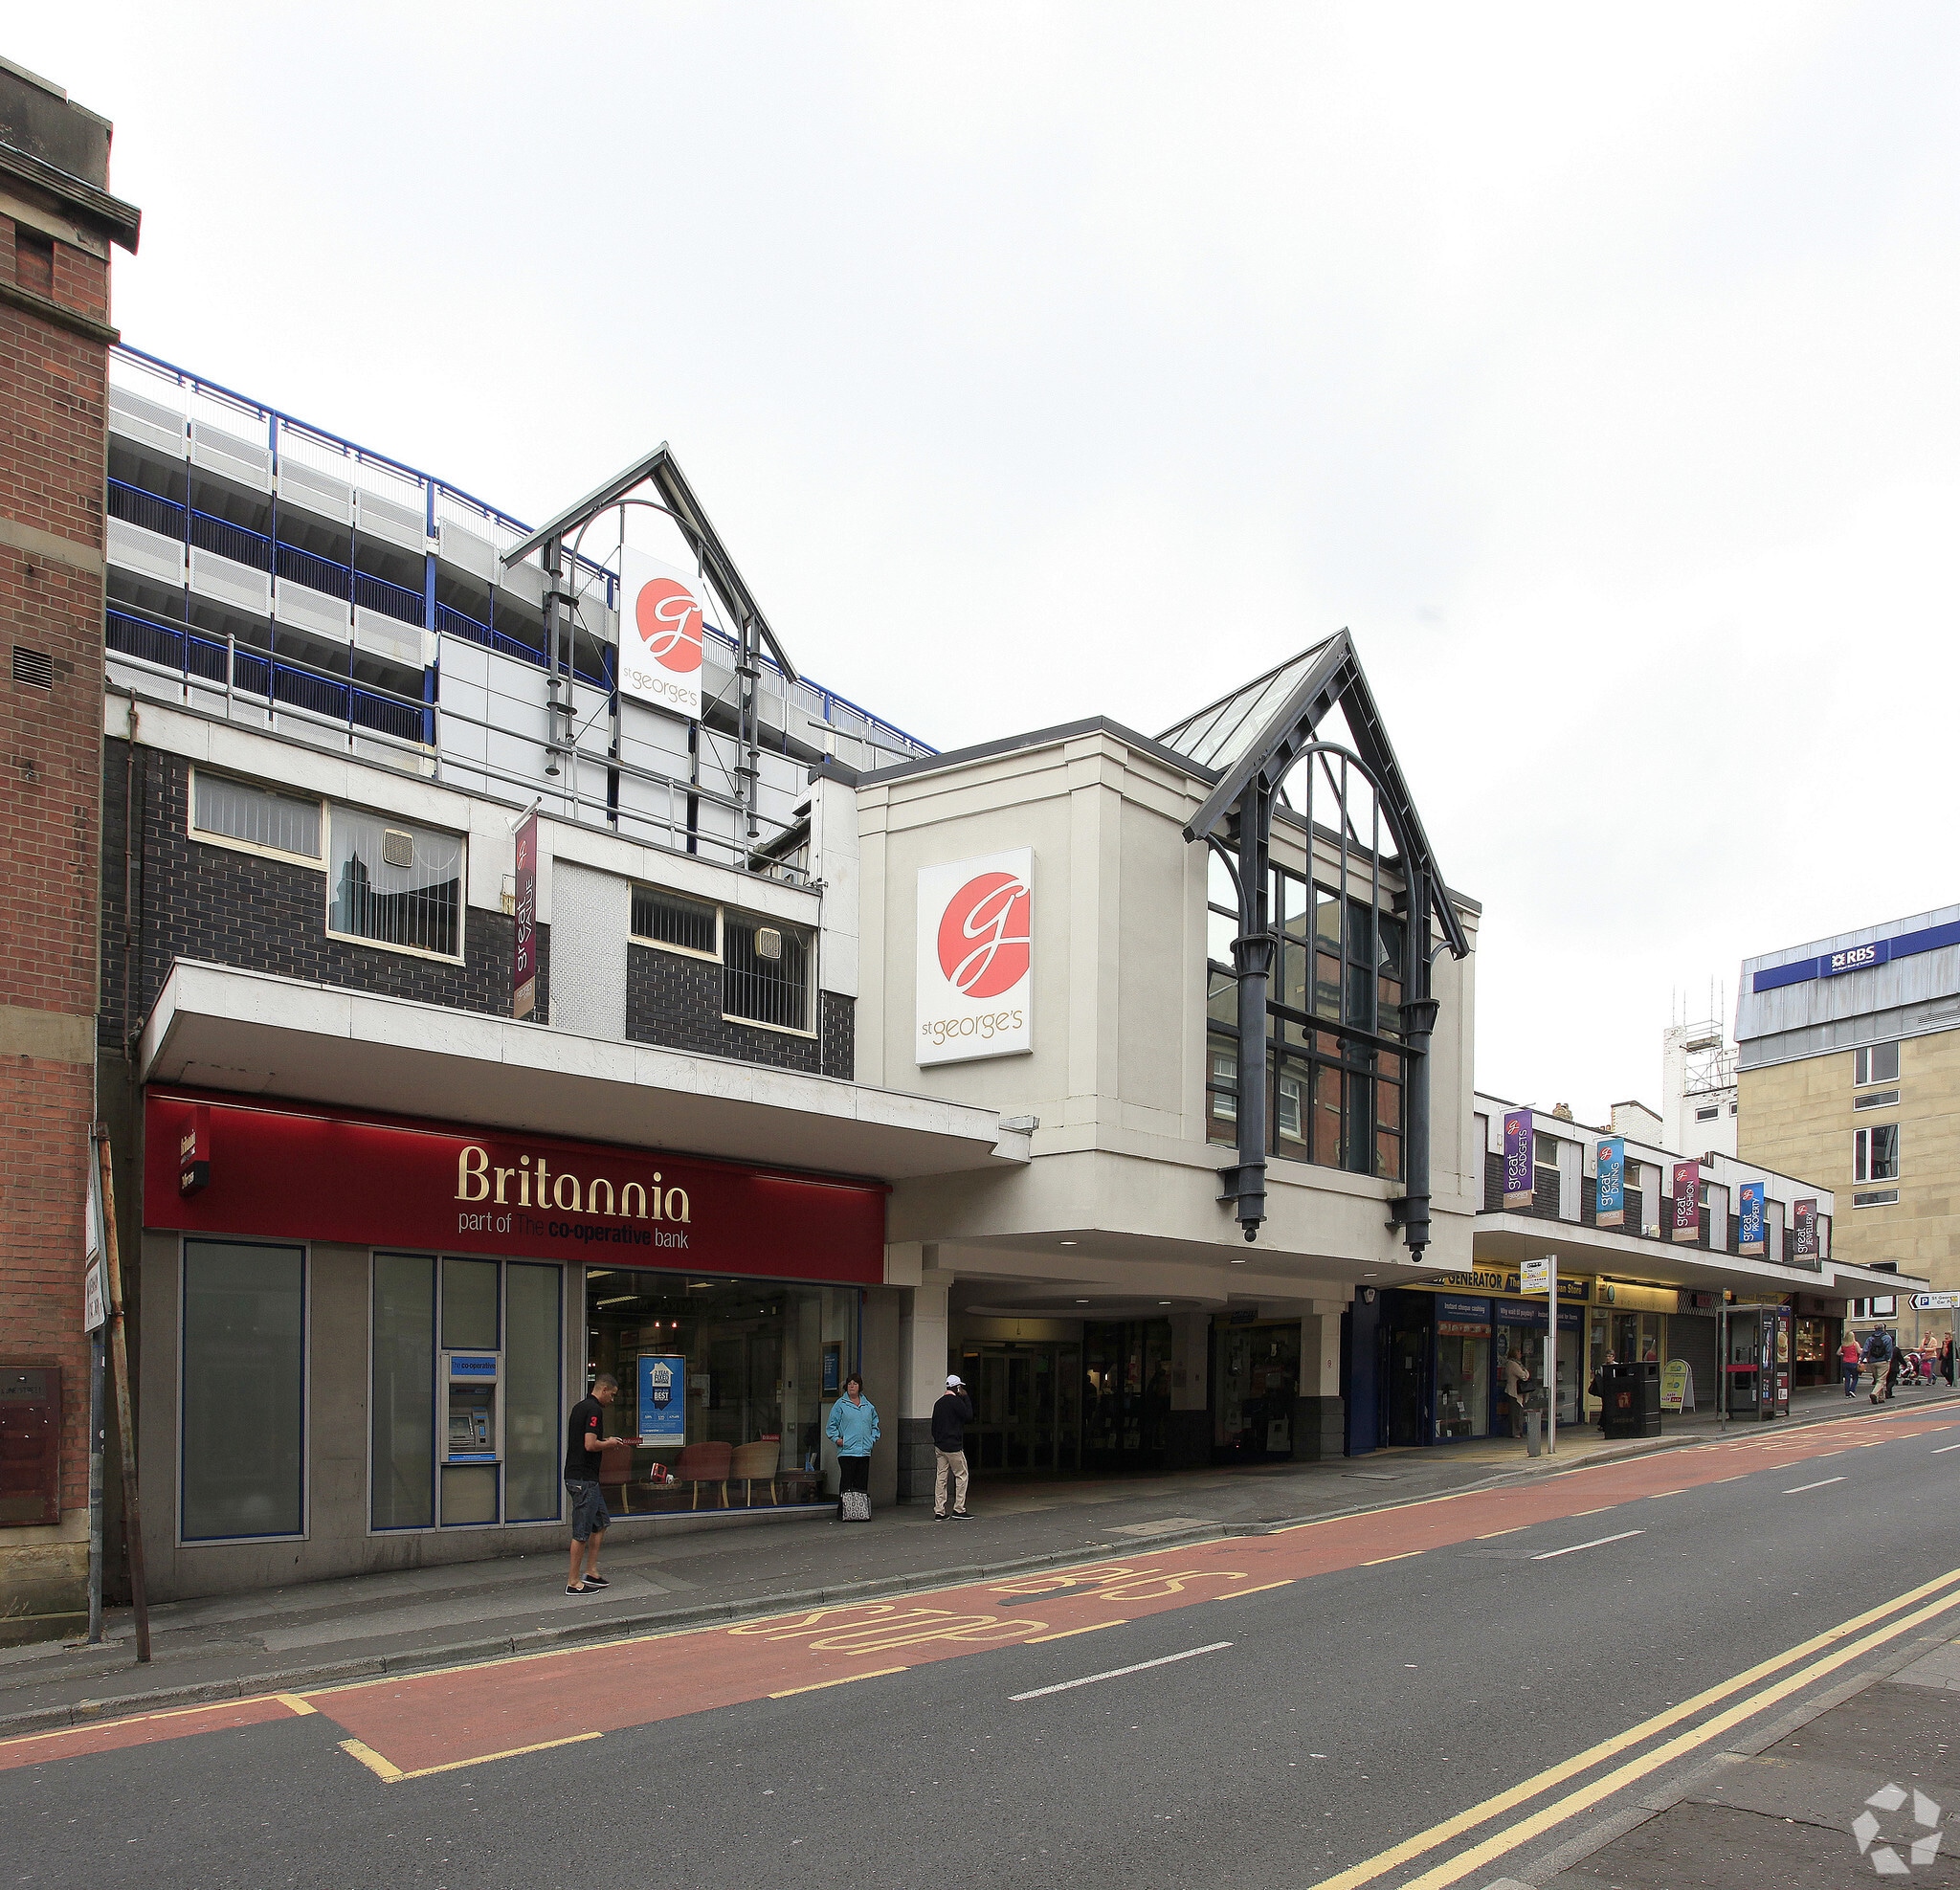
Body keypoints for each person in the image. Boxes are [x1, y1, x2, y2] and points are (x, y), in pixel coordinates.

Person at [565, 1372, 635, 1594]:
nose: (612, 1400)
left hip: (583, 1478)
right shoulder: (594, 1410)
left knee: (601, 1522)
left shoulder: (579, 1407)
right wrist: (610, 1443)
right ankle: (573, 1582)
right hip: (584, 1479)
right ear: (603, 1390)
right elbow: (590, 1444)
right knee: (582, 1532)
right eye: (612, 1395)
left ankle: (591, 1571)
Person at [825, 1373, 880, 1519]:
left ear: (860, 1387)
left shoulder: (868, 1405)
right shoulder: (840, 1404)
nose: (852, 1386)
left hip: (864, 1451)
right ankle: (844, 1512)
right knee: (847, 1482)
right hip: (847, 1451)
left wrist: (872, 1438)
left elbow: (875, 1424)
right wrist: (838, 1440)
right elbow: (831, 1425)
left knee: (861, 1483)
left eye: (855, 1384)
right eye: (849, 1384)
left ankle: (860, 1512)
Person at [932, 1373, 974, 1520]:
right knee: (961, 1475)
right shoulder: (957, 1402)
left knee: (941, 1478)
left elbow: (933, 1426)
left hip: (940, 1446)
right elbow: (969, 1416)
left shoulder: (938, 1403)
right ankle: (959, 1509)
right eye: (960, 1387)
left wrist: (938, 1440)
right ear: (957, 1388)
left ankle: (939, 1510)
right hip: (954, 1446)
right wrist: (966, 1397)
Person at [1500, 1347, 1532, 1438]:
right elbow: (1523, 1375)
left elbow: (1525, 1374)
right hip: (1513, 1391)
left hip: (1519, 1392)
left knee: (1520, 1412)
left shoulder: (1519, 1364)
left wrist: (1525, 1373)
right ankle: (1515, 1432)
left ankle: (1519, 1431)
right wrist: (1526, 1373)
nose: (1520, 1354)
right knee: (1515, 1412)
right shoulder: (1512, 1364)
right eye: (1518, 1352)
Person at [1864, 1327, 1894, 1404]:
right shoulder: (1887, 1338)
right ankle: (1874, 1393)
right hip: (1883, 1361)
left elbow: (1865, 1350)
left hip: (1872, 1362)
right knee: (1881, 1380)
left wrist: (1861, 1360)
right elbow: (1889, 1350)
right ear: (1883, 1329)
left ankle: (1881, 1398)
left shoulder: (1870, 1338)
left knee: (1878, 1379)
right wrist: (1888, 1359)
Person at [1838, 1333, 1863, 1398]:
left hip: (1845, 1363)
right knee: (1855, 1377)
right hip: (1853, 1362)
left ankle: (1847, 1394)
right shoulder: (1855, 1344)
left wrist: (1844, 1354)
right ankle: (1852, 1390)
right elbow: (1859, 1352)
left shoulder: (1843, 1344)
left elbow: (1838, 1353)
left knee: (1847, 1379)